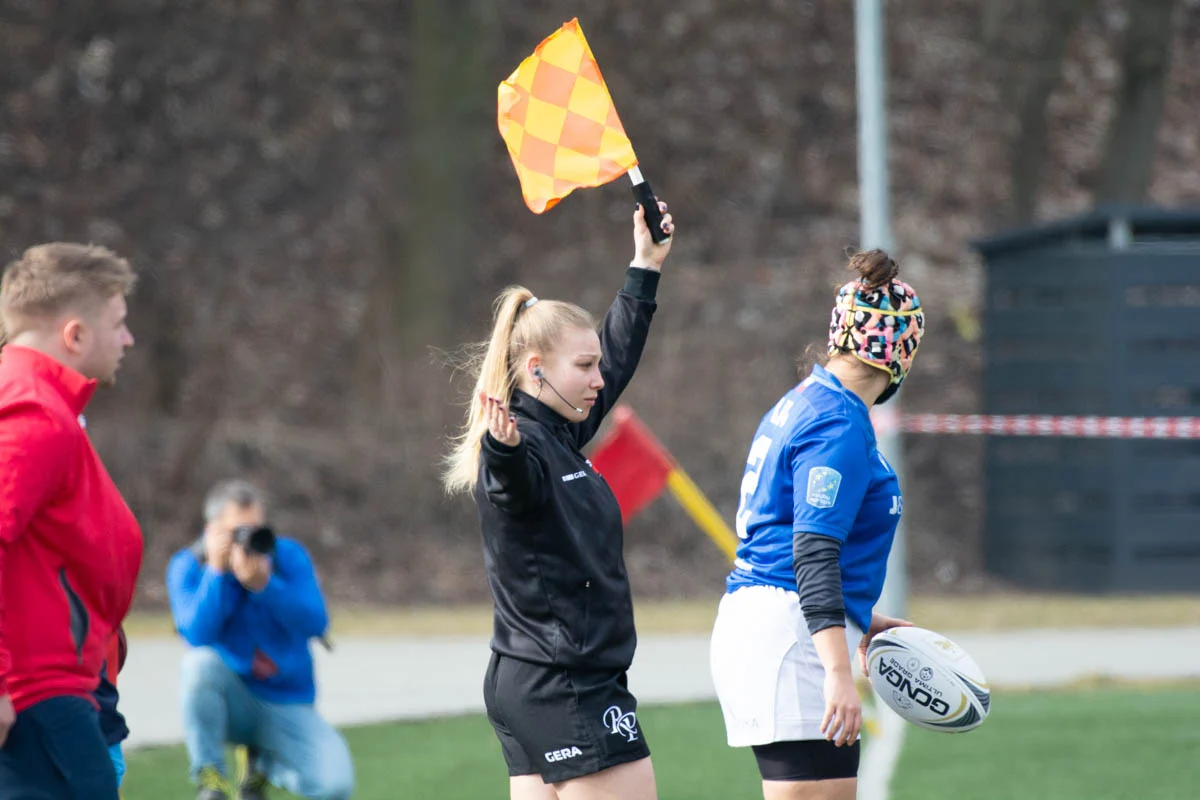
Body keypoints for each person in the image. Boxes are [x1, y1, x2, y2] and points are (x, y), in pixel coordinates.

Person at [442, 201, 674, 800]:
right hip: (568, 684)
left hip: (531, 678)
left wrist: (644, 268)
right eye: (585, 366)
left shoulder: (557, 432)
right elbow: (512, 488)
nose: (599, 379)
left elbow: (616, 357)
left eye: (596, 364)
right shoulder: (522, 445)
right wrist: (503, 452)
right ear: (536, 370)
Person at [709, 249, 926, 800]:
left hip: (781, 621)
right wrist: (836, 670)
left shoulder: (811, 402)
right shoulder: (837, 422)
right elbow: (811, 552)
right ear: (902, 351)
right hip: (792, 633)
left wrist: (861, 618)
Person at [0, 242, 143, 800]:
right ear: (75, 334)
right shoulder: (32, 409)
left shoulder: (42, 404)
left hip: (50, 693)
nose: (128, 340)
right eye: (118, 323)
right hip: (37, 698)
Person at [167, 479, 353, 800]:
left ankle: (262, 764)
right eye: (238, 532)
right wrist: (216, 574)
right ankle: (211, 779)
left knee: (334, 785)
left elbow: (316, 622)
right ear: (212, 531)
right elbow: (197, 634)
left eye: (256, 529)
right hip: (229, 702)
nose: (249, 540)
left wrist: (266, 587)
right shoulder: (188, 566)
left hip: (286, 701)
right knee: (198, 666)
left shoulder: (286, 556)